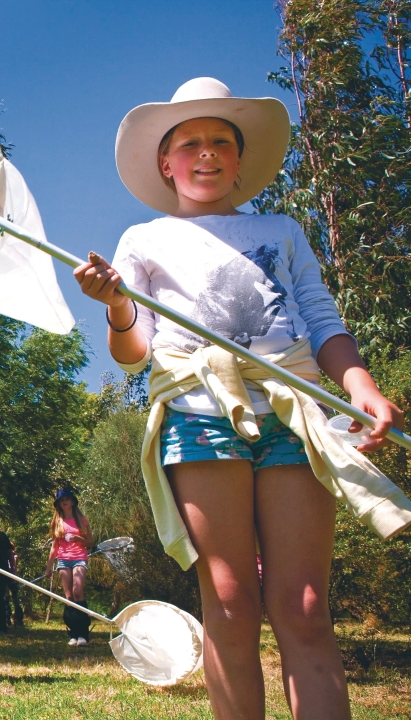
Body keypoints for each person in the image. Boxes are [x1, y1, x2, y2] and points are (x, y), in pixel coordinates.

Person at [74, 77, 408, 719]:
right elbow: (134, 351)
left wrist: (360, 385)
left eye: (221, 142)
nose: (207, 152)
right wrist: (116, 305)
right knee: (229, 602)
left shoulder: (282, 230)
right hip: (198, 419)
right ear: (165, 164)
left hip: (294, 414)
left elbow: (321, 317)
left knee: (303, 606)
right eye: (190, 143)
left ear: (239, 159)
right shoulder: (142, 240)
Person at [43, 488, 93, 646]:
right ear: (59, 504)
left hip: (79, 558)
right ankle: (74, 633)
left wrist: (79, 539)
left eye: (67, 498)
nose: (64, 501)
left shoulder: (81, 520)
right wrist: (49, 567)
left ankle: (83, 634)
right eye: (61, 500)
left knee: (78, 591)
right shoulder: (57, 522)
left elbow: (91, 543)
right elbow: (54, 547)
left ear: (72, 501)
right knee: (69, 597)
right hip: (63, 560)